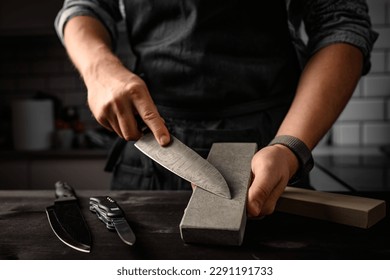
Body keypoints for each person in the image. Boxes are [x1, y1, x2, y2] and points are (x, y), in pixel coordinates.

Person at [55, 0, 377, 217]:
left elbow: (341, 23)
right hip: (149, 147)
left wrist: (289, 147)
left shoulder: (282, 150)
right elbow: (85, 6)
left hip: (272, 147)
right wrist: (99, 68)